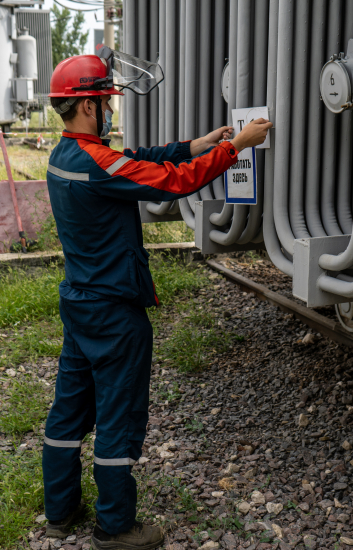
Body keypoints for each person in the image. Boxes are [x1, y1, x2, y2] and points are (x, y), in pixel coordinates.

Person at [41, 52, 272, 550]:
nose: (110, 109)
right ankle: (116, 528)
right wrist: (237, 148)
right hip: (114, 312)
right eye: (105, 101)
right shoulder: (99, 163)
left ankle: (59, 513)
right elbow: (172, 181)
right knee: (118, 418)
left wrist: (196, 144)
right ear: (88, 107)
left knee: (68, 411)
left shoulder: (65, 156)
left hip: (79, 301)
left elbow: (140, 158)